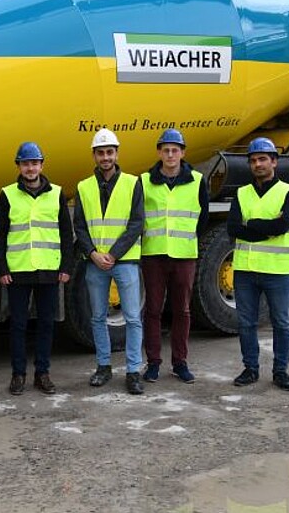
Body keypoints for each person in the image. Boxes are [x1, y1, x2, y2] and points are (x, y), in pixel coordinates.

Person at [0, 141, 75, 396]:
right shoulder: (7, 194)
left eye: (34, 163)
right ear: (19, 166)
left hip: (49, 270)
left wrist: (65, 266)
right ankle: (18, 374)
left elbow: (65, 233)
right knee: (17, 325)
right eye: (26, 163)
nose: (30, 168)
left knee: (46, 325)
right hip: (17, 271)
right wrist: (1, 268)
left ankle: (43, 373)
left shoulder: (56, 193)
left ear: (41, 165)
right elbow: (0, 235)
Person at [74, 128, 145, 395]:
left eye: (109, 152)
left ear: (116, 154)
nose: (105, 157)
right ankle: (103, 367)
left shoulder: (132, 183)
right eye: (101, 153)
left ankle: (133, 371)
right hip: (95, 263)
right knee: (97, 318)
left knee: (132, 318)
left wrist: (113, 255)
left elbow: (137, 223)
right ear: (94, 155)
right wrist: (93, 253)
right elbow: (79, 225)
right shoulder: (83, 187)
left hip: (124, 261)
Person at [228, 137, 289, 392]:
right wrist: (266, 227)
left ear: (274, 162)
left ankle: (280, 371)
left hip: (276, 270)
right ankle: (250, 369)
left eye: (262, 159)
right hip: (245, 270)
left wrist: (252, 225)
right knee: (246, 323)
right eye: (253, 160)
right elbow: (233, 228)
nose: (257, 164)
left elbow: (283, 225)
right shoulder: (241, 193)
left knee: (281, 322)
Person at [140, 128, 210, 384]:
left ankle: (180, 362)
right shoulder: (145, 181)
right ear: (159, 152)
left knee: (182, 310)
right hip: (154, 254)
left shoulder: (197, 180)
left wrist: (188, 239)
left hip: (183, 256)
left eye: (175, 150)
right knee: (153, 310)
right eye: (165, 150)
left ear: (182, 153)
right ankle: (153, 363)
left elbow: (202, 217)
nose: (170, 154)